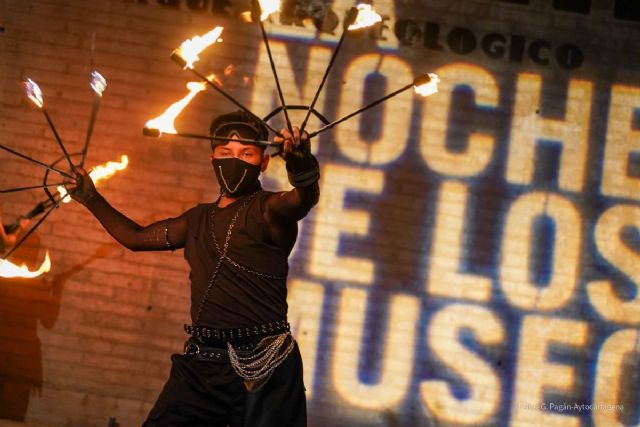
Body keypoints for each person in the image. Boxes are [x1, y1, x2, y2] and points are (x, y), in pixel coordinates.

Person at [67, 110, 319, 427]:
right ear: (212, 157)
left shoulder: (270, 210)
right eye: (225, 152)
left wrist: (301, 164)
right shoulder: (196, 219)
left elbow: (303, 199)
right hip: (202, 366)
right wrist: (91, 198)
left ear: (263, 162)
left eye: (247, 153)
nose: (234, 160)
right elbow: (135, 237)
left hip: (265, 369)